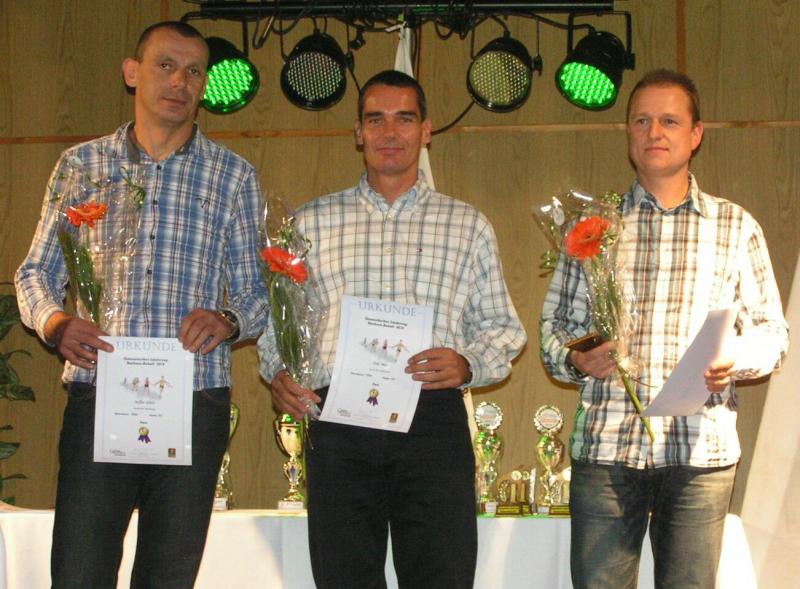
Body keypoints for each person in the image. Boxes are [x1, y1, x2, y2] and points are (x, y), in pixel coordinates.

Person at [15, 21, 268, 588]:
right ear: (132, 72)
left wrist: (227, 320)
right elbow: (34, 273)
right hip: (100, 391)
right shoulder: (81, 166)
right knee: (79, 572)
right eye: (165, 66)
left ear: (205, 85)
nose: (180, 82)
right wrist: (55, 323)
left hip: (195, 399)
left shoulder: (234, 176)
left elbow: (257, 294)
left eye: (194, 71)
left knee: (168, 576)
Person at [258, 70, 527, 588]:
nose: (389, 132)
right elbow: (279, 327)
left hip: (432, 418)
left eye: (404, 119)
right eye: (375, 119)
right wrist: (280, 374)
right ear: (358, 132)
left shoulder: (467, 225)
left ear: (426, 131)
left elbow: (502, 328)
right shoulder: (309, 224)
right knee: (343, 578)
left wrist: (468, 363)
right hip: (337, 419)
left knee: (441, 576)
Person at [540, 69, 789, 589]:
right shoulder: (593, 228)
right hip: (607, 448)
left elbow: (773, 333)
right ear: (628, 133)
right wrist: (575, 357)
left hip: (701, 450)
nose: (654, 132)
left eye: (670, 121)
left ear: (696, 134)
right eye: (642, 121)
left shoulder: (735, 226)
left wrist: (735, 359)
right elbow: (553, 329)